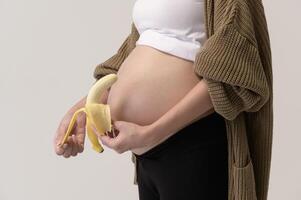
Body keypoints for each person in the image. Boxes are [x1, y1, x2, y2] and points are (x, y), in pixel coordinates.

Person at [54, 0, 273, 199]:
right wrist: (79, 111)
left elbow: (231, 70)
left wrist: (151, 132)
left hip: (192, 143)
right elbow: (135, 51)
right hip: (147, 159)